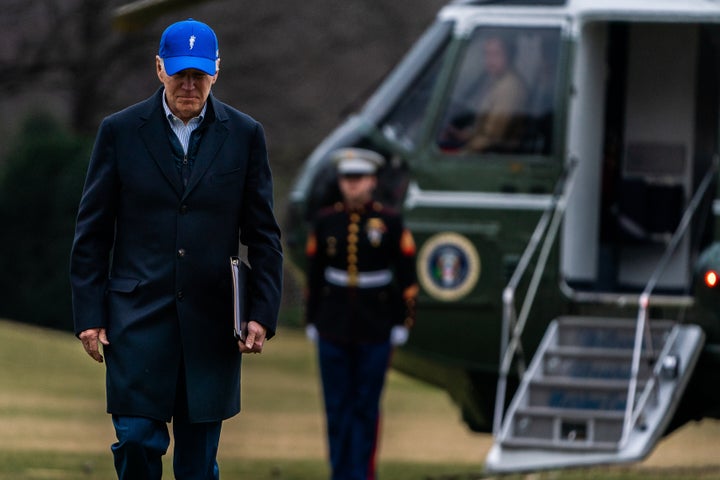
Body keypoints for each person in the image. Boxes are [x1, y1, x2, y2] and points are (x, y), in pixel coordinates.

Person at [69, 18, 283, 480]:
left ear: (217, 72)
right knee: (136, 441)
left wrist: (262, 313)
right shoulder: (120, 131)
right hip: (137, 318)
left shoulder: (245, 136)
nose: (189, 85)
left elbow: (263, 233)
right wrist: (89, 314)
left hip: (211, 323)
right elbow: (93, 230)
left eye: (199, 75)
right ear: (160, 68)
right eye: (181, 73)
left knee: (197, 465)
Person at [304, 148, 418, 480]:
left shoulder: (391, 222)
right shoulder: (326, 221)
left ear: (372, 181)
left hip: (376, 324)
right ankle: (340, 473)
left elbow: (406, 278)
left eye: (358, 179)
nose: (351, 186)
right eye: (346, 179)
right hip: (333, 324)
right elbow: (315, 276)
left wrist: (403, 321)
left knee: (366, 407)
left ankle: (363, 474)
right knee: (337, 407)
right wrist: (312, 319)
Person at [439, 34, 527, 153]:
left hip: (493, 156)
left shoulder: (510, 87)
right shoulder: (499, 81)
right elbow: (483, 128)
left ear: (509, 55)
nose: (490, 61)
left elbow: (491, 138)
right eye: (487, 54)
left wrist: (460, 155)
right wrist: (462, 135)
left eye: (496, 54)